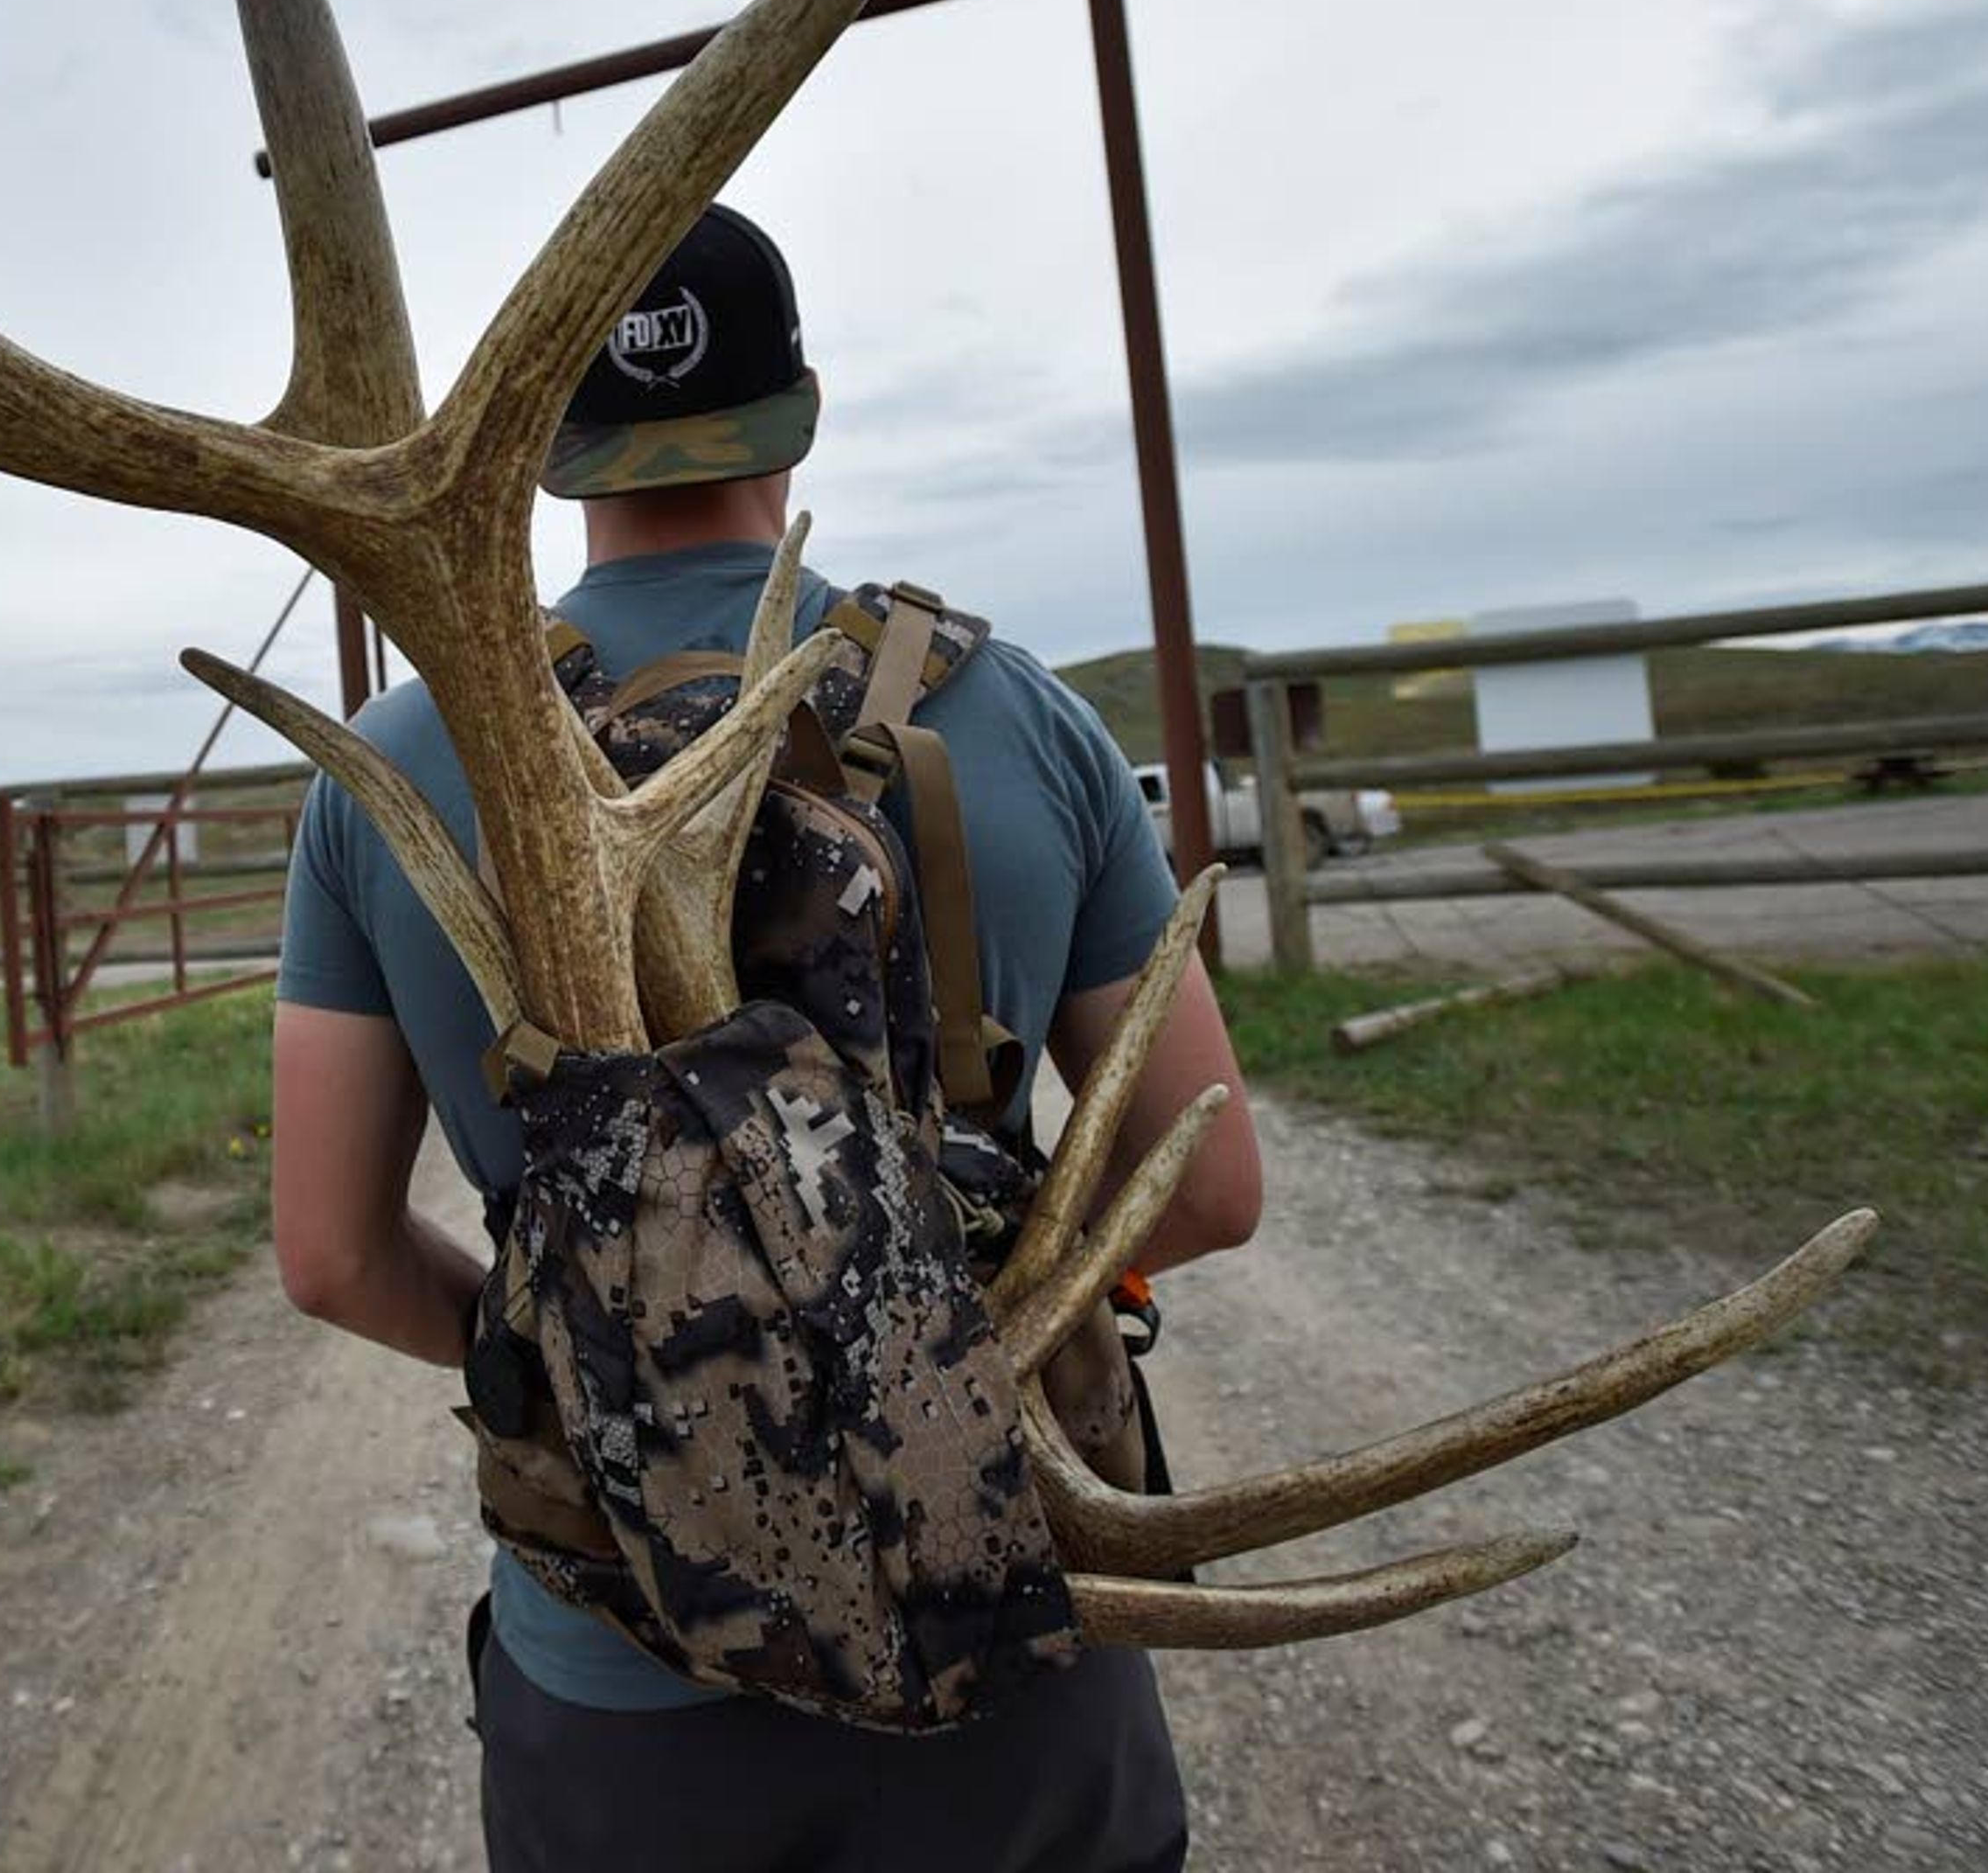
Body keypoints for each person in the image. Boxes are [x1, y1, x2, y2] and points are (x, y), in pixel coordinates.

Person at [269, 201, 1263, 1871]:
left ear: (553, 442)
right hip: (1001, 1610)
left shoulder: (385, 765)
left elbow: (329, 1253)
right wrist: (894, 1353)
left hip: (618, 1671)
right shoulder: (1018, 711)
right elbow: (1211, 1181)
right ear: (797, 415)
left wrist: (628, 1372)